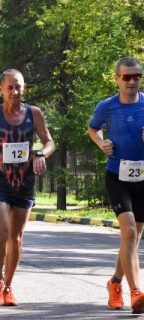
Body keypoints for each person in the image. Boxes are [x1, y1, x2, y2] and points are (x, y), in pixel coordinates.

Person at [0, 69, 55, 306]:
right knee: (2, 232)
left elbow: (49, 142)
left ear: (24, 88)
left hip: (25, 184)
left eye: (19, 87)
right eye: (10, 87)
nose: (15, 92)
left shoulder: (34, 114)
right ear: (1, 89)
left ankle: (8, 286)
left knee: (16, 238)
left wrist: (40, 154)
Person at [88, 56, 144, 314]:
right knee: (129, 231)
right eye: (126, 77)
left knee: (132, 237)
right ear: (117, 78)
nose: (132, 81)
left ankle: (115, 283)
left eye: (137, 76)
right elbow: (93, 129)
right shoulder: (107, 107)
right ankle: (137, 293)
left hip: (143, 177)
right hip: (117, 175)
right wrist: (102, 144)